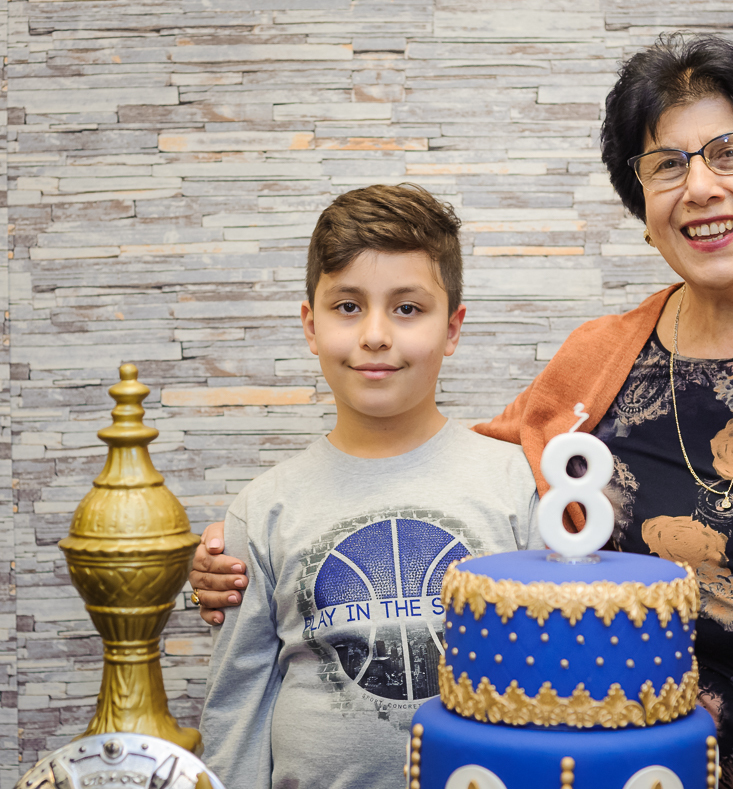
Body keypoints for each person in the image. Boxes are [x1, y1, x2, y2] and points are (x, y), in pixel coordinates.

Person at [192, 36, 733, 789]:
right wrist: (245, 555)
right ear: (643, 208)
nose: (700, 187)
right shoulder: (600, 362)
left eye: (730, 153)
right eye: (666, 165)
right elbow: (445, 465)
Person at [197, 184, 543, 789]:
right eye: (348, 306)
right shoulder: (263, 509)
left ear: (453, 328)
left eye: (407, 308)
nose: (376, 335)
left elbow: (555, 679)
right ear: (310, 324)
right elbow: (239, 708)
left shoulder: (517, 485)